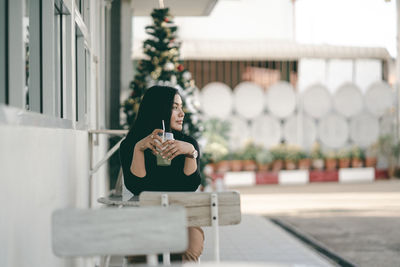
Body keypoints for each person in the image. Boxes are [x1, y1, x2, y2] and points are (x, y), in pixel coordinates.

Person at [119, 85, 203, 262]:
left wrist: (190, 153)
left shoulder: (188, 143)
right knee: (138, 255)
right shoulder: (131, 145)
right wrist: (139, 150)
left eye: (181, 107)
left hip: (183, 218)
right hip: (144, 219)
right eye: (175, 107)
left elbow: (190, 186)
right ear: (158, 109)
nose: (182, 113)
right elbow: (137, 187)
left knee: (189, 247)